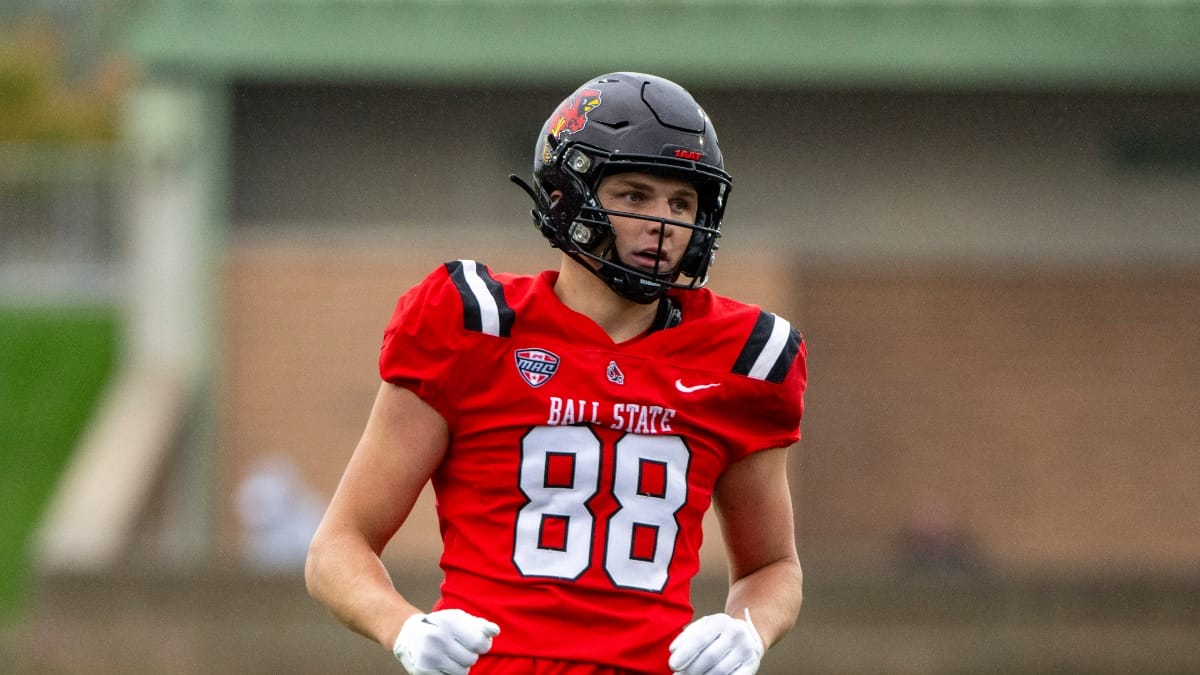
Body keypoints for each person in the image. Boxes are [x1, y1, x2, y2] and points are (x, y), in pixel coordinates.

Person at [305, 72, 808, 675]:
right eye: (635, 196)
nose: (664, 223)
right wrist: (404, 628)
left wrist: (749, 631)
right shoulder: (472, 325)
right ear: (569, 195)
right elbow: (338, 547)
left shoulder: (742, 357)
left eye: (682, 203)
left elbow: (771, 566)